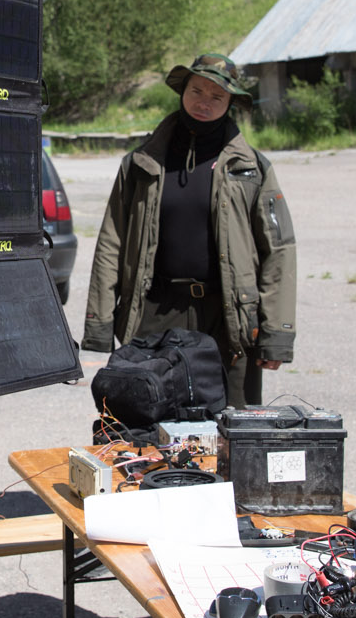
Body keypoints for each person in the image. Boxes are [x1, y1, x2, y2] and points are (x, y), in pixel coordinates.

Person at [81, 53, 295, 406]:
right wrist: (100, 322)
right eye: (197, 91)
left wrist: (276, 335)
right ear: (182, 91)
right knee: (149, 429)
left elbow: (279, 249)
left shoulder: (253, 169)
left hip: (229, 321)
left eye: (217, 97)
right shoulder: (141, 164)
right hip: (155, 316)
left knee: (232, 435)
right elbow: (111, 243)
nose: (204, 103)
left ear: (230, 104)